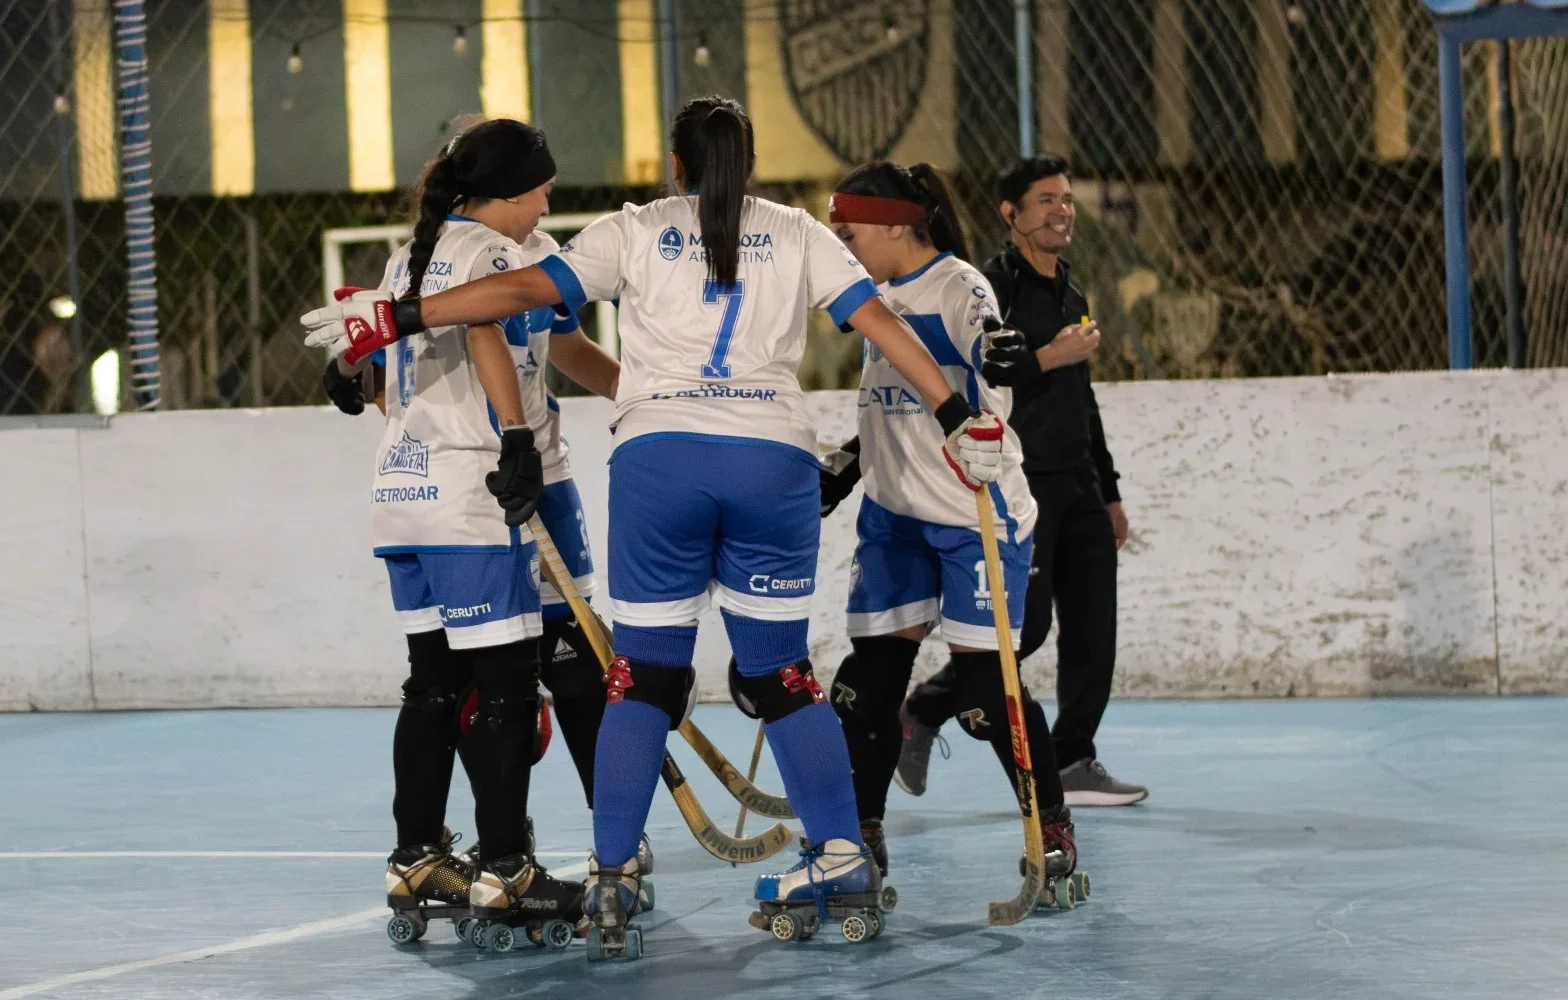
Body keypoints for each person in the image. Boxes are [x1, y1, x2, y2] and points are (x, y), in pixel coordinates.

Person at [302, 95, 1006, 958]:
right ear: (749, 166)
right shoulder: (796, 231)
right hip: (772, 460)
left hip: (658, 463)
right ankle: (839, 856)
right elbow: (880, 321)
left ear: (676, 167)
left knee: (637, 678)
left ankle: (609, 874)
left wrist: (401, 316)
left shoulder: (633, 228)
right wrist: (956, 415)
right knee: (784, 674)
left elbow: (520, 292)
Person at [317, 119, 588, 941]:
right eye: (541, 190)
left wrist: (353, 377)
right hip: (470, 496)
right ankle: (507, 869)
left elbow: (382, 375)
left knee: (432, 684)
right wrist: (517, 439)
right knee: (505, 690)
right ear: (508, 191)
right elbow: (484, 332)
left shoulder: (410, 255)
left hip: (403, 491)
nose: (546, 205)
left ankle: (417, 857)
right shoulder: (494, 254)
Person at [816, 161, 1078, 888]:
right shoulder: (871, 296)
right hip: (895, 517)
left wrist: (1003, 348)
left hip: (972, 515)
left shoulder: (960, 285)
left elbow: (988, 343)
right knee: (869, 687)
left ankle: (1050, 820)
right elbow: (895, 406)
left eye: (850, 232)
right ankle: (861, 834)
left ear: (895, 226)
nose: (843, 247)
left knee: (987, 693)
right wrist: (849, 463)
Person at [893, 154, 1147, 807]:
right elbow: (982, 379)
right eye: (1046, 201)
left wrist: (1110, 490)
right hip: (1020, 485)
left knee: (1094, 631)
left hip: (1079, 483)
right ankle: (924, 708)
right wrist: (1051, 355)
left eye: (1067, 199)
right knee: (1023, 632)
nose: (1062, 211)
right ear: (1011, 214)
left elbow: (1082, 399)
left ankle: (1075, 756)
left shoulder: (1072, 290)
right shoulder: (988, 289)